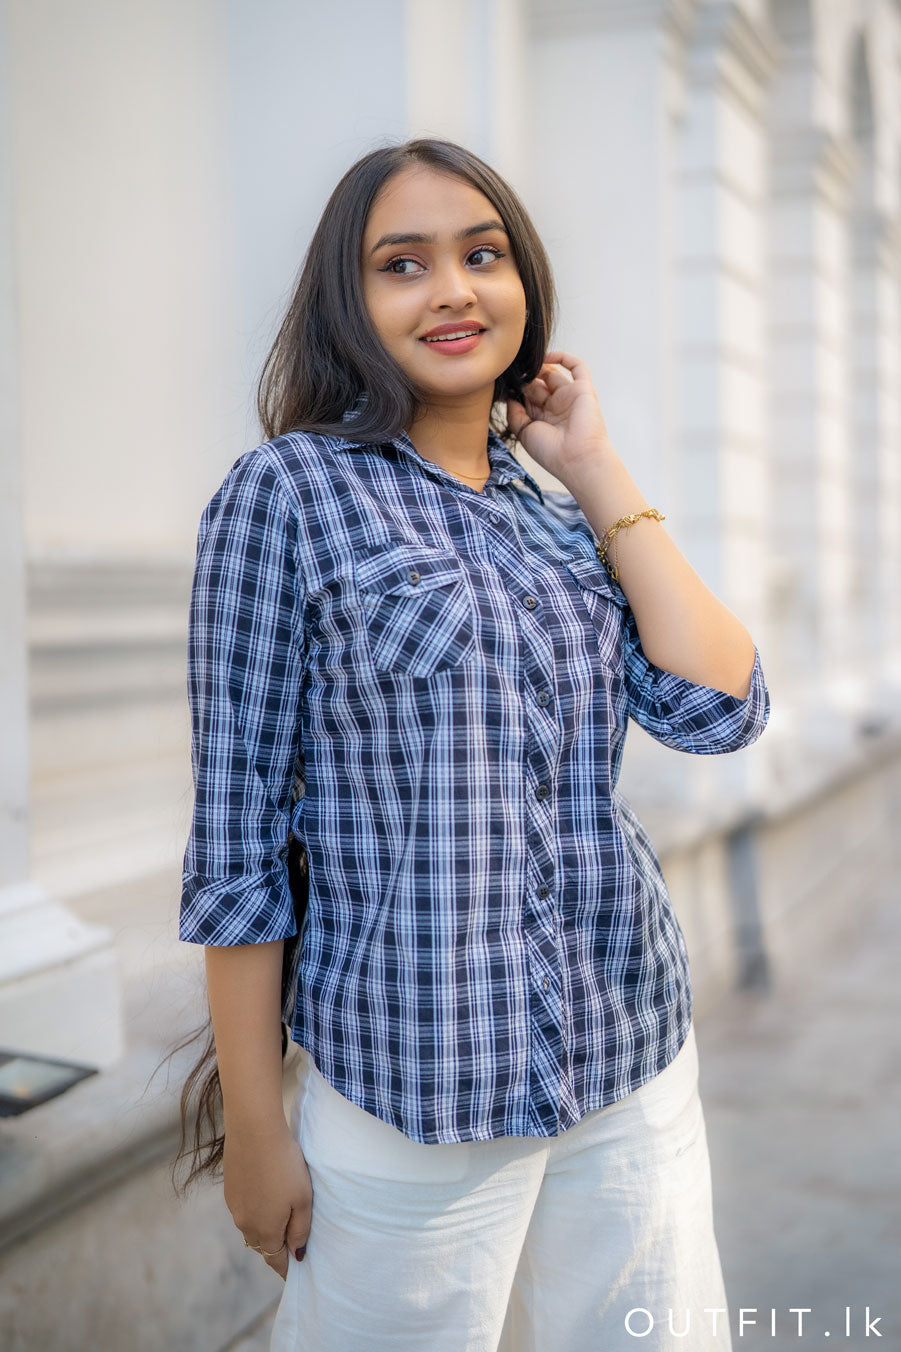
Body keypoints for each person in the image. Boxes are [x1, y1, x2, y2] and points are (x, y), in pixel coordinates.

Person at [174, 136, 769, 1351]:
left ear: (521, 283)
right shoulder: (287, 494)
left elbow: (720, 705)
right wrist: (255, 1126)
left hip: (628, 1056)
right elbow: (237, 843)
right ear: (348, 300)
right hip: (413, 1087)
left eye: (481, 255)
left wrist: (594, 466)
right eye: (403, 263)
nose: (451, 289)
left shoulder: (555, 513)